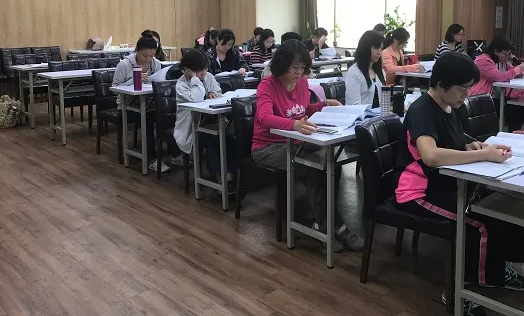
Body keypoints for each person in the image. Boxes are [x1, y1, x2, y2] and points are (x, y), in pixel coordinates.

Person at [395, 53, 524, 316]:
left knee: (500, 206)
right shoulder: (422, 110)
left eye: (469, 88)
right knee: (475, 223)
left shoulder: (450, 106)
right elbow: (430, 156)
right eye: (462, 89)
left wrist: (471, 144)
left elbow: (453, 138)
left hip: (447, 183)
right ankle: (458, 291)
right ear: (441, 85)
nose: (466, 95)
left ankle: (493, 271)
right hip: (418, 191)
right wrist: (482, 155)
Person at [251, 40, 363, 252]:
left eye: (303, 68)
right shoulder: (267, 86)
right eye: (294, 67)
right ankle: (333, 227)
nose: (299, 73)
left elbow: (303, 109)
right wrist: (294, 124)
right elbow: (264, 118)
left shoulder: (302, 83)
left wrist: (323, 105)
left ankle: (322, 221)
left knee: (332, 164)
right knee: (313, 168)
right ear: (282, 65)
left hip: (296, 143)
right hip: (267, 147)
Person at [173, 49, 237, 183]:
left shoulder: (208, 77)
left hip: (210, 122)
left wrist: (212, 93)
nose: (203, 73)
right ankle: (220, 179)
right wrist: (195, 78)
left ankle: (230, 174)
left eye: (206, 69)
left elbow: (217, 91)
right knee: (211, 140)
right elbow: (196, 97)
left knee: (229, 139)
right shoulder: (181, 85)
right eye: (199, 70)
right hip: (191, 127)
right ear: (187, 69)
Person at [113, 34, 164, 172]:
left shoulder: (156, 63)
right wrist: (134, 80)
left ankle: (175, 154)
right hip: (127, 106)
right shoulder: (124, 64)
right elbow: (115, 88)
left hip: (150, 103)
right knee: (147, 120)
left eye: (151, 55)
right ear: (137, 51)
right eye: (144, 56)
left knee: (168, 117)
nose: (148, 59)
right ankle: (152, 159)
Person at [469, 37, 524, 132]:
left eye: (509, 54)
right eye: (506, 54)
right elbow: (499, 76)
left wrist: (520, 68)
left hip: (499, 96)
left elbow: (511, 73)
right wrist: (518, 69)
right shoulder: (483, 61)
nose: (507, 56)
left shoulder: (502, 61)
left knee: (518, 109)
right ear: (496, 51)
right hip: (483, 96)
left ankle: (513, 134)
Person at [345, 30, 384, 106]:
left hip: (379, 113)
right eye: (376, 47)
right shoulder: (354, 73)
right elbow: (354, 106)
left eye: (381, 48)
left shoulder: (380, 72)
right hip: (360, 113)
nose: (379, 52)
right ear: (366, 48)